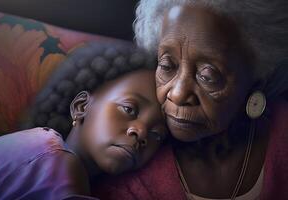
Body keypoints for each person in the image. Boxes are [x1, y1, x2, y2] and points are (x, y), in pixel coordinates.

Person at [91, 1, 288, 200]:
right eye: (167, 66)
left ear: (257, 76)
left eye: (207, 76)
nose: (177, 94)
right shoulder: (130, 168)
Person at [0, 42, 168, 200]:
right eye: (129, 109)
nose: (141, 132)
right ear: (81, 107)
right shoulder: (58, 162)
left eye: (157, 134)